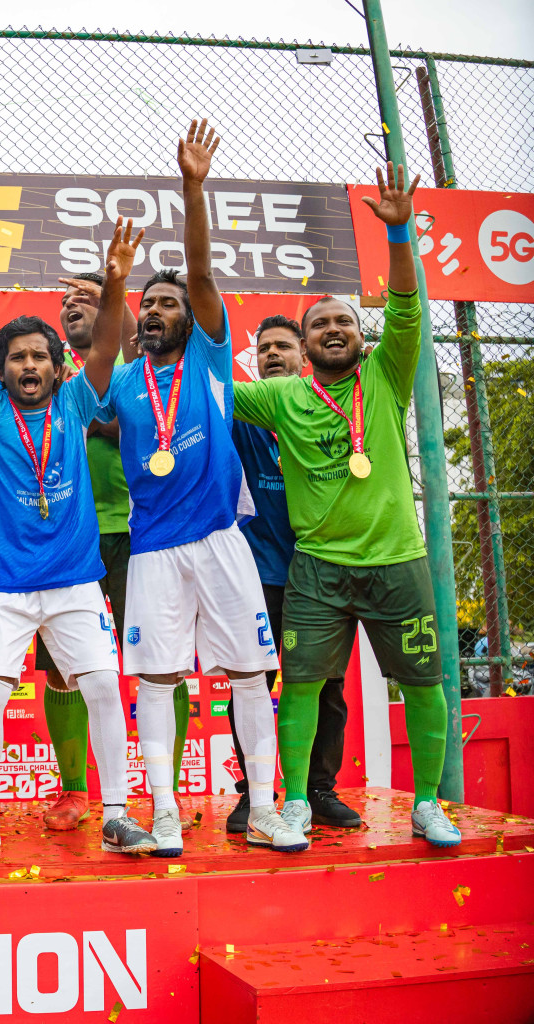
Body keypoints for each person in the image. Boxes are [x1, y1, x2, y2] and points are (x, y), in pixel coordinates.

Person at [235, 163, 459, 848]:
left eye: (343, 321)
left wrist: (397, 231)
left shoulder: (387, 373)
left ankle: (427, 803)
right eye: (320, 324)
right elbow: (204, 385)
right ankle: (296, 801)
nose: (333, 329)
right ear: (300, 347)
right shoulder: (280, 396)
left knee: (421, 684)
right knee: (300, 686)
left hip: (398, 561)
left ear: (359, 336)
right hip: (317, 568)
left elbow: (405, 307)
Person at [97, 120, 303, 857]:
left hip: (221, 540)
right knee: (155, 683)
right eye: (145, 306)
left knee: (250, 675)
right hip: (152, 549)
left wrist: (190, 186)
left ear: (190, 319)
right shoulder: (121, 383)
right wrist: (116, 282)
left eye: (166, 304)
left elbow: (202, 273)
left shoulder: (211, 361)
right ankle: (163, 817)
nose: (154, 312)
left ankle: (267, 809)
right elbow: (84, 387)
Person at [0, 220, 158, 857]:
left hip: (73, 582)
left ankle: (116, 812)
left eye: (39, 355)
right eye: (17, 358)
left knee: (99, 685)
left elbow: (108, 349)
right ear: (0, 371)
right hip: (4, 585)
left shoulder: (73, 405)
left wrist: (116, 282)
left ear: (57, 366)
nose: (29, 364)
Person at [34, 273, 194, 831]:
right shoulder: (40, 378)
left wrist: (114, 300)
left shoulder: (135, 374)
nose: (75, 308)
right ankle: (73, 790)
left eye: (88, 303)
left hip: (136, 533)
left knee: (163, 666)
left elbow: (117, 409)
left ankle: (165, 794)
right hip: (67, 541)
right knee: (61, 672)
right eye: (67, 305)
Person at [227, 315, 356, 832]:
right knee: (252, 685)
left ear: (305, 355)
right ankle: (255, 795)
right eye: (264, 349)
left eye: (283, 346)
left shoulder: (334, 412)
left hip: (321, 573)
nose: (272, 355)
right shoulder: (243, 413)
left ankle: (319, 790)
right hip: (256, 574)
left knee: (325, 687)